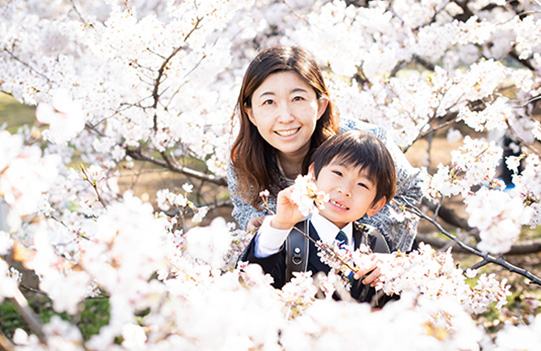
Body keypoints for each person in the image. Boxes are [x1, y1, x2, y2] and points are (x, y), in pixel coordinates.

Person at [228, 45, 423, 253]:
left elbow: (411, 189)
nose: (285, 117)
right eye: (269, 102)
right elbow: (248, 218)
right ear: (250, 114)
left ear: (320, 106)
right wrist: (260, 228)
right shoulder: (242, 163)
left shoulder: (367, 143)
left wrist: (373, 249)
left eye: (298, 98)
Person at [242, 130, 396, 303]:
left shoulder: (374, 242)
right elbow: (247, 284)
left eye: (362, 184)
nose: (344, 190)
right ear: (313, 174)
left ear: (375, 205)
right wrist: (280, 225)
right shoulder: (287, 236)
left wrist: (396, 271)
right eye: (338, 173)